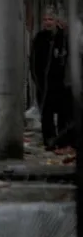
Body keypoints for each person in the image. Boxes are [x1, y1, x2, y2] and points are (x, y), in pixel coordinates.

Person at [32, 8, 71, 149]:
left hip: (60, 84)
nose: (47, 22)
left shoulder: (63, 39)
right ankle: (49, 140)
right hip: (44, 84)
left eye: (50, 19)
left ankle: (61, 141)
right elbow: (34, 63)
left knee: (63, 114)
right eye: (45, 19)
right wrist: (38, 82)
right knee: (46, 115)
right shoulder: (39, 38)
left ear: (56, 21)